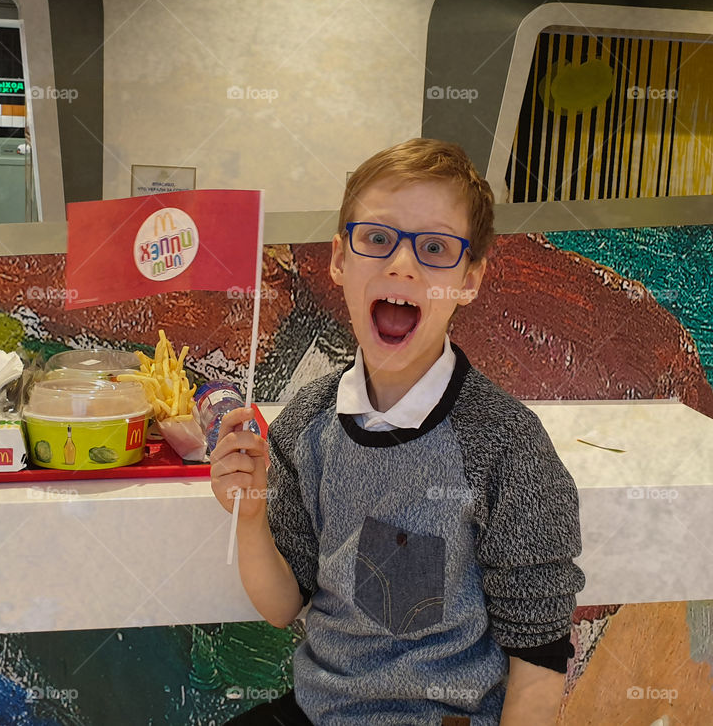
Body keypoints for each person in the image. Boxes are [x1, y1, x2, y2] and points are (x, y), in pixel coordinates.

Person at [210, 138, 585, 726]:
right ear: (339, 259)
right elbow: (284, 606)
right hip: (321, 710)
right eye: (378, 239)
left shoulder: (508, 444)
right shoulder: (306, 425)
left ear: (471, 278)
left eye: (435, 247)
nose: (402, 264)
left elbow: (538, 656)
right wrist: (252, 514)